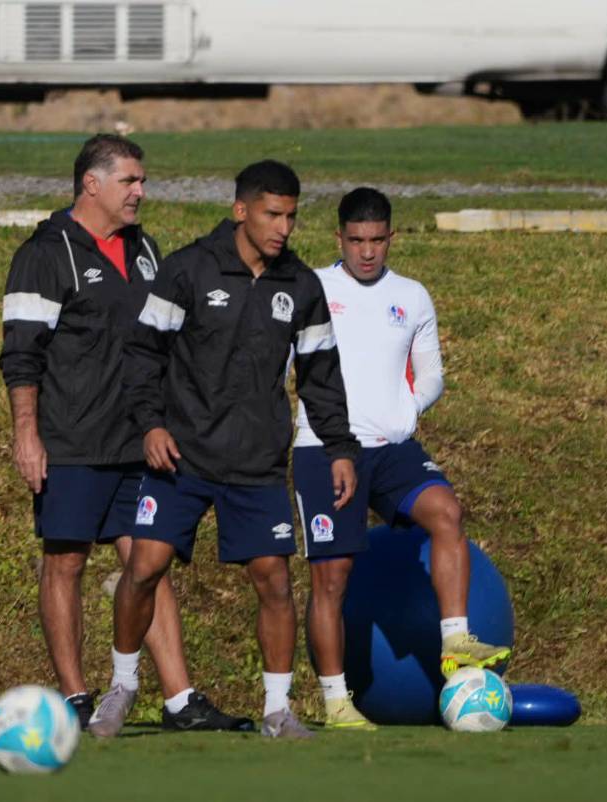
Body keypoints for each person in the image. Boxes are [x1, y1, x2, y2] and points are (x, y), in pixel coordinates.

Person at [90, 160, 360, 739]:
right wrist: (151, 426)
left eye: (291, 216)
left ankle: (277, 709)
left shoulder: (302, 287)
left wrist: (339, 447)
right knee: (144, 567)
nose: (283, 227)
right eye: (272, 214)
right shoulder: (188, 269)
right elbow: (142, 355)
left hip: (257, 464)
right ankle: (122, 687)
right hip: (181, 456)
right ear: (241, 210)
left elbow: (321, 375)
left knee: (274, 579)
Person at [0, 134, 248, 733]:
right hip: (72, 441)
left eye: (142, 180)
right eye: (130, 181)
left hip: (138, 442)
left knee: (148, 562)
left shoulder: (146, 250)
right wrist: (27, 434)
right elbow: (21, 355)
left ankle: (180, 700)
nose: (141, 191)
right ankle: (77, 698)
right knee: (65, 562)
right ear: (92, 184)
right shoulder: (45, 252)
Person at [293, 188, 511, 730]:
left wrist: (407, 408)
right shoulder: (313, 289)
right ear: (338, 238)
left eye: (377, 241)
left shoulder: (412, 296)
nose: (367, 252)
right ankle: (335, 700)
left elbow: (432, 372)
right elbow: (278, 366)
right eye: (356, 241)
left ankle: (456, 639)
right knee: (332, 577)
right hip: (325, 449)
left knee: (447, 515)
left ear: (392, 238)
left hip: (391, 450)